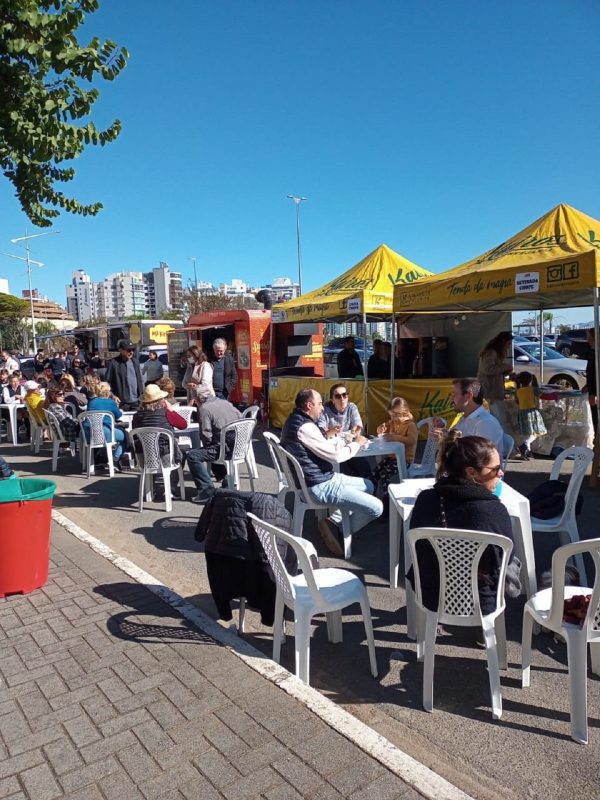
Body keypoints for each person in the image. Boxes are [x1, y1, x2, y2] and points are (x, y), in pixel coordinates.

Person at [408, 432, 519, 617]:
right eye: (496, 468)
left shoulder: (425, 499)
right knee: (512, 560)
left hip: (431, 595)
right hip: (481, 601)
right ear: (471, 472)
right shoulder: (494, 510)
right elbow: (506, 558)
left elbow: (417, 548)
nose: (501, 473)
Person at [281, 388, 383, 556]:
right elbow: (336, 457)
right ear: (309, 405)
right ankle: (339, 529)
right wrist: (356, 444)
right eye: (320, 404)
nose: (322, 408)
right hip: (319, 485)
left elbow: (322, 446)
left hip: (319, 477)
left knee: (369, 485)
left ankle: (332, 522)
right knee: (377, 508)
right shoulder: (305, 427)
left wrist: (342, 442)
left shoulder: (294, 420)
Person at [185, 386, 242, 504]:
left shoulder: (204, 409)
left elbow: (206, 434)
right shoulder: (225, 402)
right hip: (238, 445)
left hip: (223, 448)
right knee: (210, 448)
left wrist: (207, 444)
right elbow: (240, 417)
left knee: (193, 455)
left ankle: (206, 491)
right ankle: (227, 479)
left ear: (197, 399)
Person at [317, 383, 370, 479]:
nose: (342, 398)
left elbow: (357, 428)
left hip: (351, 446)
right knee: (344, 471)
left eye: (344, 395)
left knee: (365, 467)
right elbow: (322, 433)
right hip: (335, 451)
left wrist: (350, 434)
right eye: (338, 396)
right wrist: (332, 431)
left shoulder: (352, 407)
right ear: (332, 400)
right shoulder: (325, 410)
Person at [132, 384, 186, 469]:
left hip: (143, 456)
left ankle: (150, 478)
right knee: (183, 453)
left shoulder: (136, 416)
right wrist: (171, 410)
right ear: (161, 400)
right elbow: (183, 425)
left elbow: (135, 436)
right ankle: (172, 477)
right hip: (165, 454)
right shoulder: (166, 413)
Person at [373, 396, 419, 495]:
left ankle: (387, 499)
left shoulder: (410, 425)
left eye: (395, 415)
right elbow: (383, 429)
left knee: (384, 474)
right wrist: (380, 429)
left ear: (404, 413)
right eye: (391, 415)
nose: (392, 418)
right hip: (393, 458)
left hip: (405, 460)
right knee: (375, 472)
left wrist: (395, 437)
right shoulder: (393, 422)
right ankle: (373, 495)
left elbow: (411, 440)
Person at [449, 378, 504, 456]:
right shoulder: (464, 418)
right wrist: (443, 435)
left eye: (455, 394)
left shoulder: (485, 422)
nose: (452, 398)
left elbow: (481, 458)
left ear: (468, 396)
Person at [85, 381, 128, 471]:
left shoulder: (91, 402)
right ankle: (115, 459)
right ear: (108, 392)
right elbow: (118, 415)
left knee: (104, 432)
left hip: (90, 433)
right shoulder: (110, 402)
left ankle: (98, 460)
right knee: (126, 436)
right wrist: (117, 408)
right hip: (105, 433)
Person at [477, 331, 513, 428]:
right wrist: (505, 367)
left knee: (498, 418)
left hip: (494, 391)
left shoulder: (494, 353)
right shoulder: (491, 352)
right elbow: (487, 369)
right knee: (498, 418)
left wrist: (506, 371)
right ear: (502, 342)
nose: (508, 347)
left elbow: (495, 371)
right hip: (490, 391)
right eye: (508, 344)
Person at [104, 339, 144, 411]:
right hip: (121, 403)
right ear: (120, 350)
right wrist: (113, 396)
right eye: (128, 350)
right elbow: (106, 383)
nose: (131, 352)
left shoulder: (135, 362)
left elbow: (141, 380)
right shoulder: (114, 363)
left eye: (133, 350)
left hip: (137, 402)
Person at [515, 372, 546, 459]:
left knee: (526, 434)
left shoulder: (518, 391)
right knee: (535, 433)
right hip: (532, 413)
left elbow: (517, 402)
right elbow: (542, 394)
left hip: (522, 413)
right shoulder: (533, 389)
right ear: (531, 380)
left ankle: (527, 451)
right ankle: (524, 445)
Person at [585, 329, 597, 438]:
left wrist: (594, 393)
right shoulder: (592, 351)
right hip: (592, 389)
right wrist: (587, 386)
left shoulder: (597, 353)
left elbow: (595, 374)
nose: (587, 340)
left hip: (596, 392)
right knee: (594, 418)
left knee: (596, 418)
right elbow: (591, 372)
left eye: (589, 338)